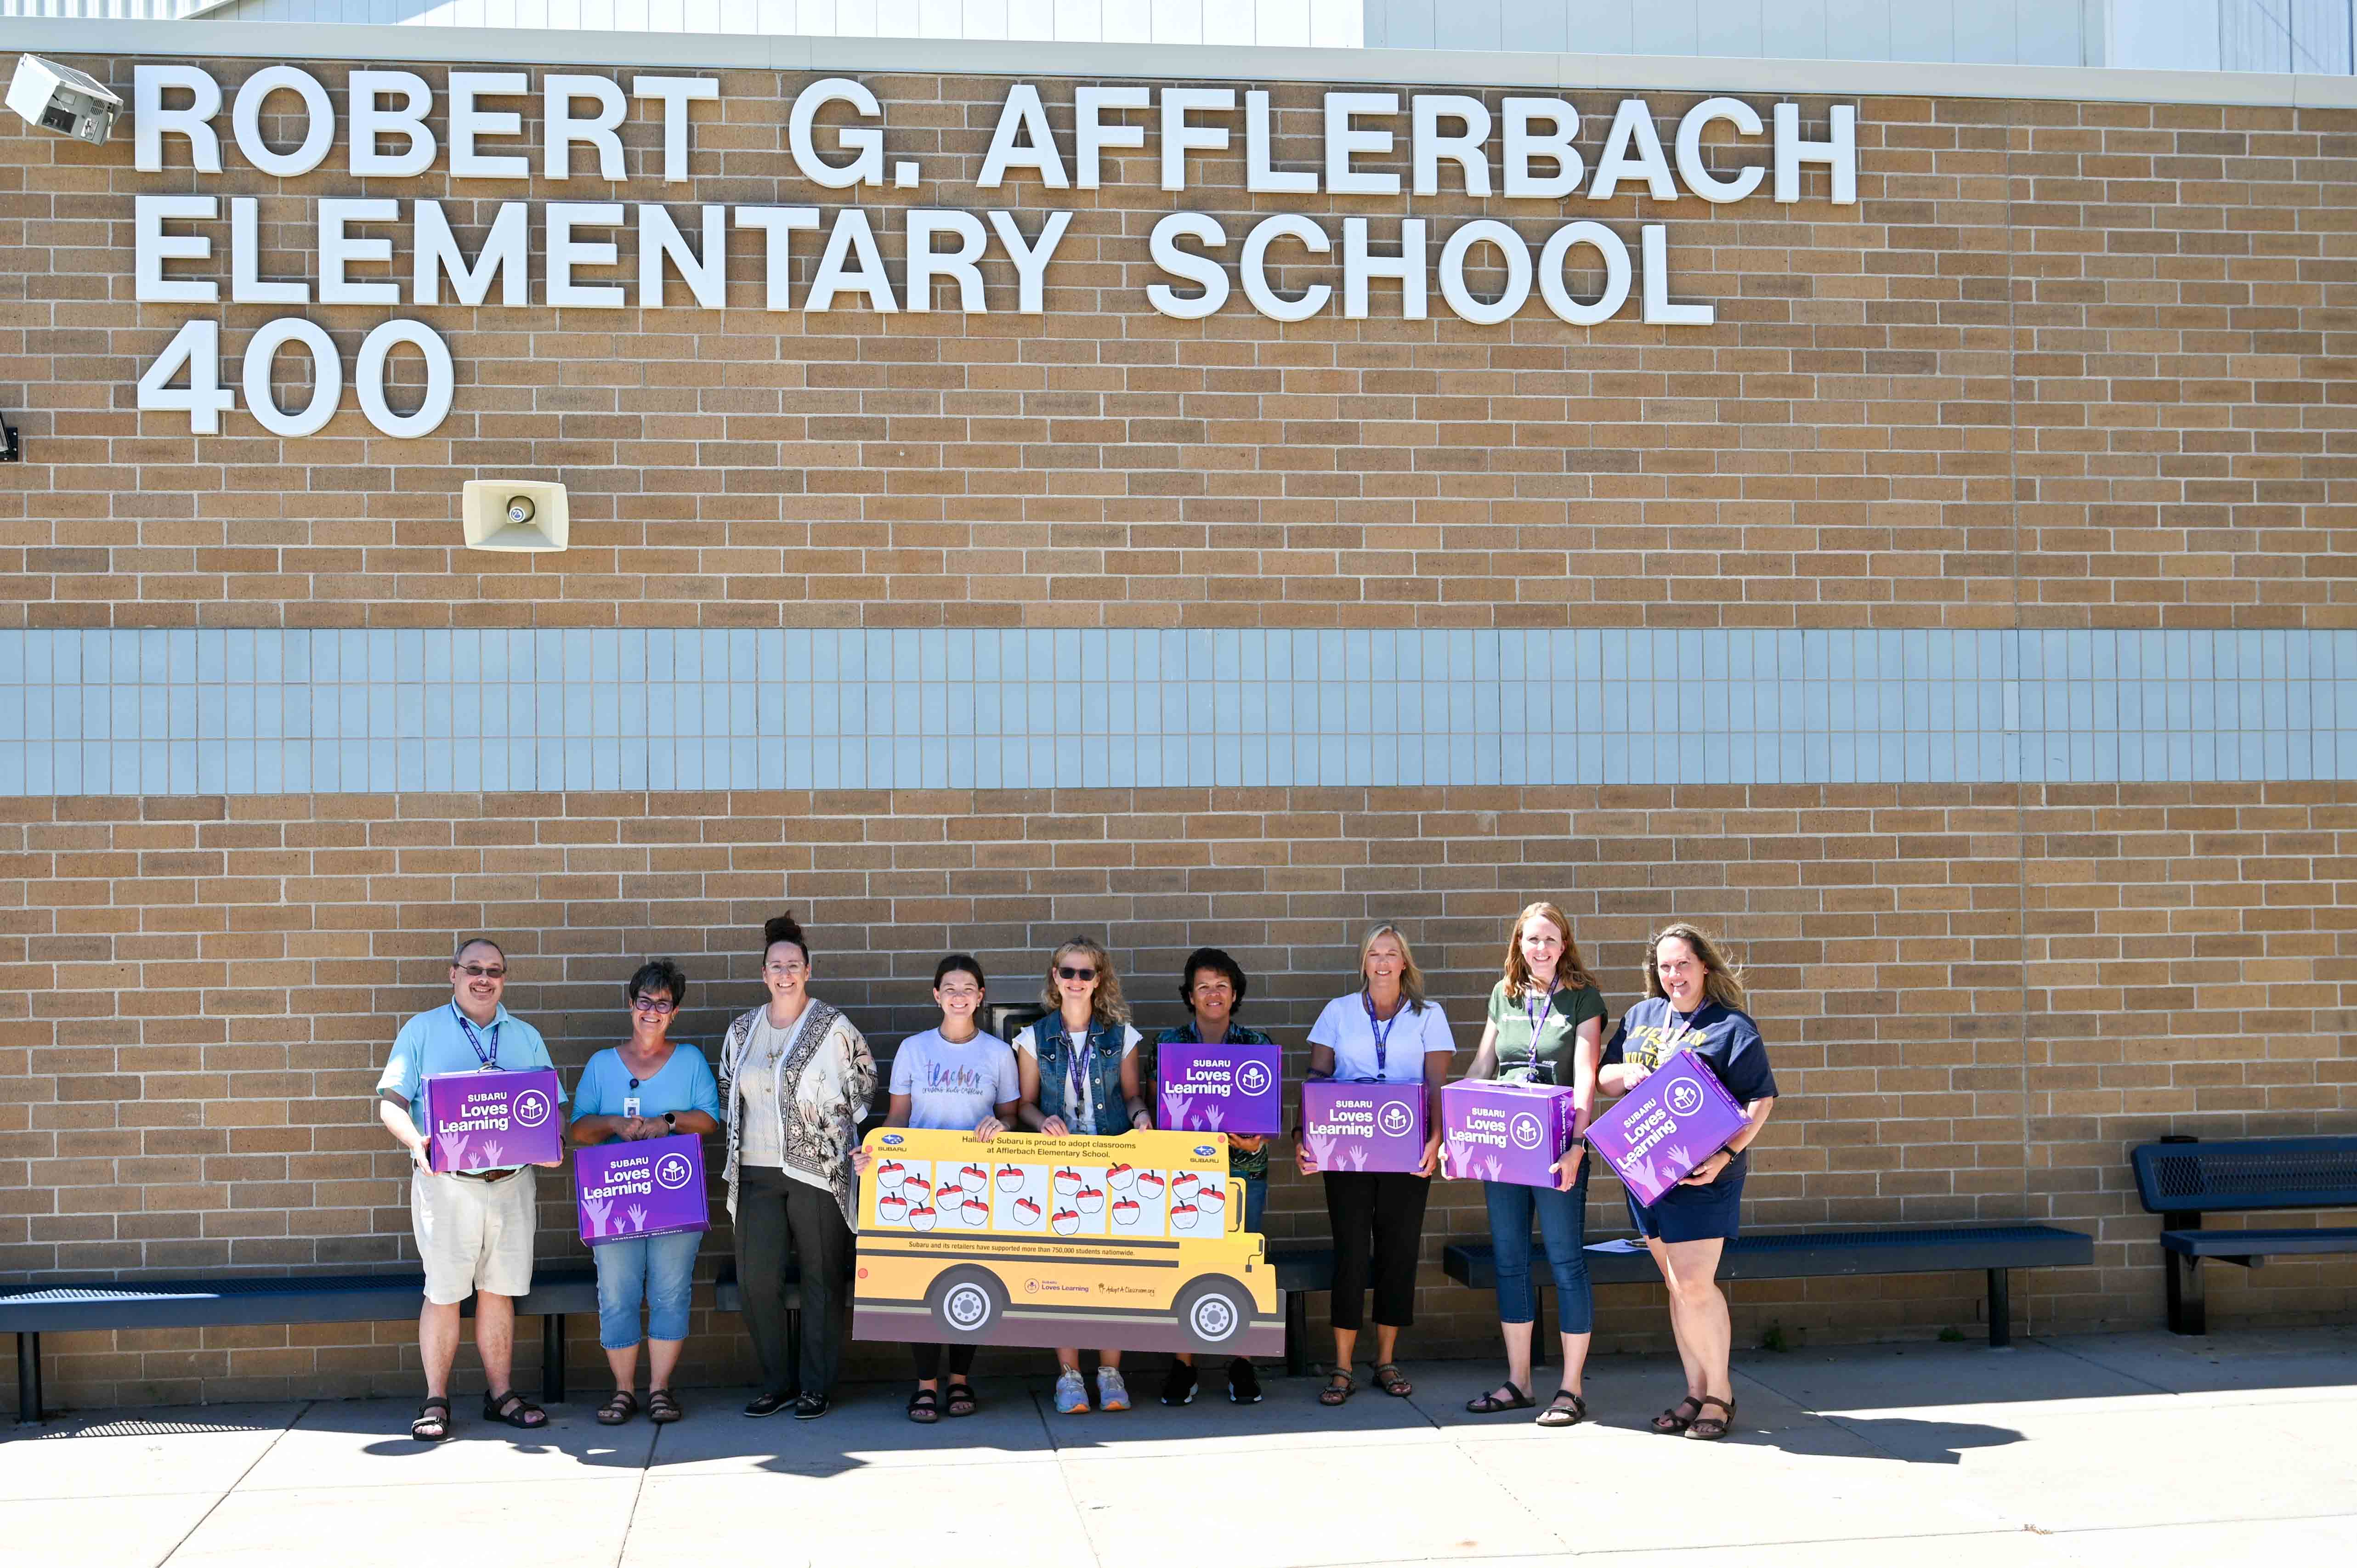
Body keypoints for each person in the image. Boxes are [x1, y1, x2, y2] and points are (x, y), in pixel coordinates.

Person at [375, 937, 567, 1442]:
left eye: (495, 971)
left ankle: (500, 1393)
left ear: (505, 977)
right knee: (442, 1292)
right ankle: (436, 1398)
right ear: (453, 974)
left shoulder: (525, 1036)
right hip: (448, 1185)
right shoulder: (422, 1030)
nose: (485, 978)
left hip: (511, 1183)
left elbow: (551, 1106)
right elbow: (390, 1102)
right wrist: (415, 1141)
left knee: (499, 1290)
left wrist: (554, 1140)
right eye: (474, 969)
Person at [1598, 921, 1778, 1443]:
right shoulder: (1642, 1016)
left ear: (1704, 966)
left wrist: (1726, 1154)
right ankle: (1695, 1391)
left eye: (1683, 963)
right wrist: (1626, 1075)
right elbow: (1607, 1074)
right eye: (1665, 965)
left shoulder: (1731, 1025)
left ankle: (1720, 1393)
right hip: (1648, 1173)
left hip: (1705, 1175)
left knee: (1697, 1283)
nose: (1673, 973)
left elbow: (1760, 1098)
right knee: (1677, 1286)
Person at [718, 912, 876, 1421]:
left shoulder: (833, 1026)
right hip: (756, 1172)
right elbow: (728, 1089)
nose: (784, 973)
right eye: (775, 966)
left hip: (818, 1171)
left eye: (793, 964)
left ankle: (816, 1385)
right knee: (757, 1279)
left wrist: (842, 1133)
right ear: (763, 973)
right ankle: (777, 1382)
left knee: (821, 1278)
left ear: (808, 969)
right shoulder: (742, 1030)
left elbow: (864, 1082)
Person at [850, 954, 1021, 1422]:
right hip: (919, 1183)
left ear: (981, 996)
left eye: (968, 987)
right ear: (936, 995)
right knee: (921, 1283)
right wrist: (877, 1154)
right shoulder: (914, 1049)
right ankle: (926, 1383)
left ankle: (960, 1379)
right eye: (950, 986)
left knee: (970, 1277)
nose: (959, 994)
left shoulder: (997, 1053)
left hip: (977, 1183)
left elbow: (1010, 1115)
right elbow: (898, 1118)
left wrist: (1002, 1127)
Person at [1456, 903, 1607, 1427]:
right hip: (1504, 1146)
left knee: (1566, 1262)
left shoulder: (1584, 996)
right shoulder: (1505, 994)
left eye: (1550, 938)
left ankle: (1571, 1387)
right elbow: (1483, 1066)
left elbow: (1586, 1074)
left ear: (1565, 943)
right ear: (1519, 944)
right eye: (1531, 939)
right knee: (1510, 1260)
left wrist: (1578, 1144)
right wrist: (1458, 1132)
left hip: (1558, 1146)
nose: (1540, 948)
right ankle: (1519, 1381)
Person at [1297, 923, 1452, 1407]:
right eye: (1374, 954)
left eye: (1391, 954)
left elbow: (1435, 1085)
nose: (1383, 962)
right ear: (1363, 962)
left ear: (1404, 962)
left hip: (1406, 1151)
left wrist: (1437, 1138)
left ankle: (1385, 1359)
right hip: (1347, 1148)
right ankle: (1342, 1365)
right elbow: (1317, 1076)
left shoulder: (1430, 1014)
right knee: (1349, 1250)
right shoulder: (1338, 1012)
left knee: (1398, 1251)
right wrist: (1306, 1136)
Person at [567, 959, 722, 1426]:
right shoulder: (601, 1064)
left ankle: (659, 1389)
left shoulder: (691, 1060)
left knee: (671, 1290)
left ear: (674, 1012)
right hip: (615, 1199)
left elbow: (711, 1119)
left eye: (663, 1003)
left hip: (673, 1196)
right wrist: (615, 1123)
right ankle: (622, 1391)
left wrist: (668, 1122)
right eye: (644, 1001)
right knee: (616, 1292)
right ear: (629, 1004)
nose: (651, 1011)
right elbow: (578, 1129)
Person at [1014, 935, 1148, 1415]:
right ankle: (1069, 1375)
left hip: (1112, 1162)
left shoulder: (1121, 1035)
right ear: (1055, 977)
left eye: (1085, 973)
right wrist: (1040, 1121)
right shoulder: (1034, 1037)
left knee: (1113, 1268)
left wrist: (1140, 1118)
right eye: (1067, 972)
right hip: (1058, 1166)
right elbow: (1025, 1104)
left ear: (1099, 979)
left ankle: (1110, 1371)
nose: (1075, 981)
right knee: (1063, 1270)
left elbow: (1133, 1095)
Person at [1153, 946, 1278, 1407]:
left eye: (1222, 985)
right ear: (1190, 994)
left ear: (1235, 992)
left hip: (1243, 1176)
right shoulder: (1169, 1044)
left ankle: (1240, 1360)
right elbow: (1157, 1112)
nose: (1213, 993)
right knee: (1183, 1266)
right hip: (1183, 1179)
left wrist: (1256, 1141)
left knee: (1237, 1267)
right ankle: (1183, 1363)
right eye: (1204, 985)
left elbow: (1266, 1121)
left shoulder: (1257, 1045)